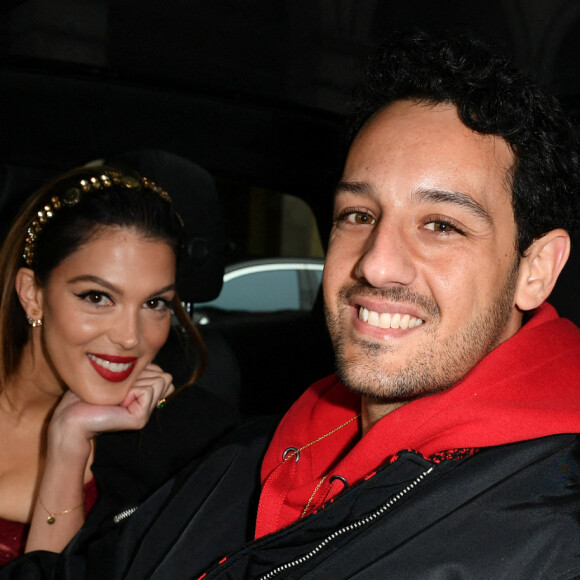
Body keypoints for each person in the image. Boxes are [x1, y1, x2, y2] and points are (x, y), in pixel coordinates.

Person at [3, 31, 580, 579]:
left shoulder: (550, 526)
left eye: (441, 225)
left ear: (537, 269)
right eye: (359, 215)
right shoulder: (256, 450)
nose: (376, 263)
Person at [0, 165, 239, 566]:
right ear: (32, 295)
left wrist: (68, 444)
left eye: (154, 303)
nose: (131, 337)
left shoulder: (185, 449)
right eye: (97, 297)